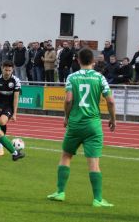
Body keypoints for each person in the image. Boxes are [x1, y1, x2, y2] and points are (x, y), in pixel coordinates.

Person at [47, 48, 116, 207]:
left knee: (66, 156)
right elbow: (111, 101)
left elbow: (68, 100)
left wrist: (66, 116)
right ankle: (98, 199)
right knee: (93, 162)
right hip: (93, 125)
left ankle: (60, 192)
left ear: (78, 61)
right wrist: (113, 119)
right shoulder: (100, 77)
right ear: (93, 61)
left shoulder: (72, 77)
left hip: (75, 124)